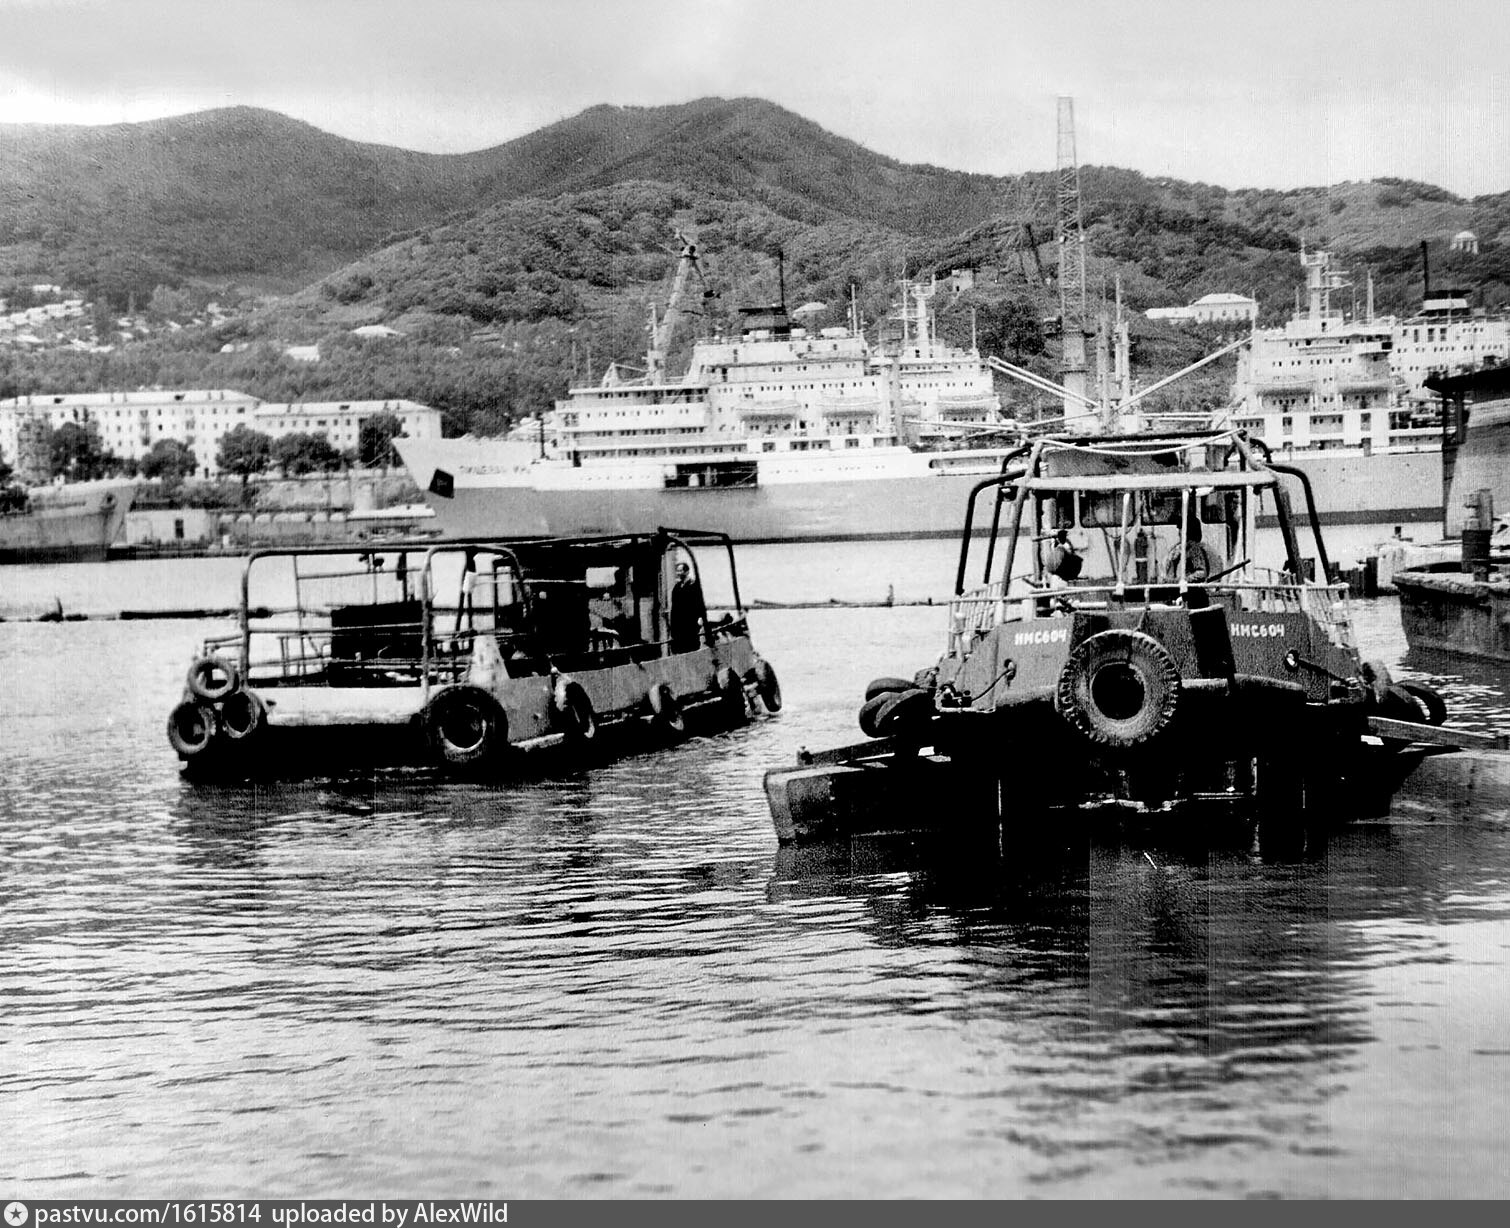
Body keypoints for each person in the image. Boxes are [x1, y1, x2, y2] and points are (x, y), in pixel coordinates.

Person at [668, 560, 707, 652]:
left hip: (690, 622)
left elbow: (699, 603)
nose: (678, 573)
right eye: (677, 571)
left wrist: (700, 618)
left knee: (691, 645)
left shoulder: (693, 586)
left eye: (680, 571)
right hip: (679, 624)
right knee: (679, 646)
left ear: (687, 572)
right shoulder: (677, 587)